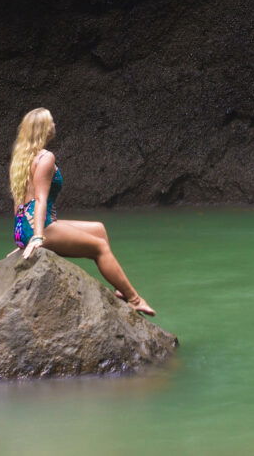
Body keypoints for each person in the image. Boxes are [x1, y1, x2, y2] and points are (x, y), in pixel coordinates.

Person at [9, 106, 156, 316]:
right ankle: (134, 299)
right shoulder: (45, 158)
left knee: (98, 229)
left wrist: (20, 238)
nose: (54, 125)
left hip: (26, 225)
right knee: (99, 246)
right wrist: (37, 237)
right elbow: (40, 199)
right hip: (39, 226)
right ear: (43, 128)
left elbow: (19, 203)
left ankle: (119, 289)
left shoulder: (21, 159)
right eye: (51, 122)